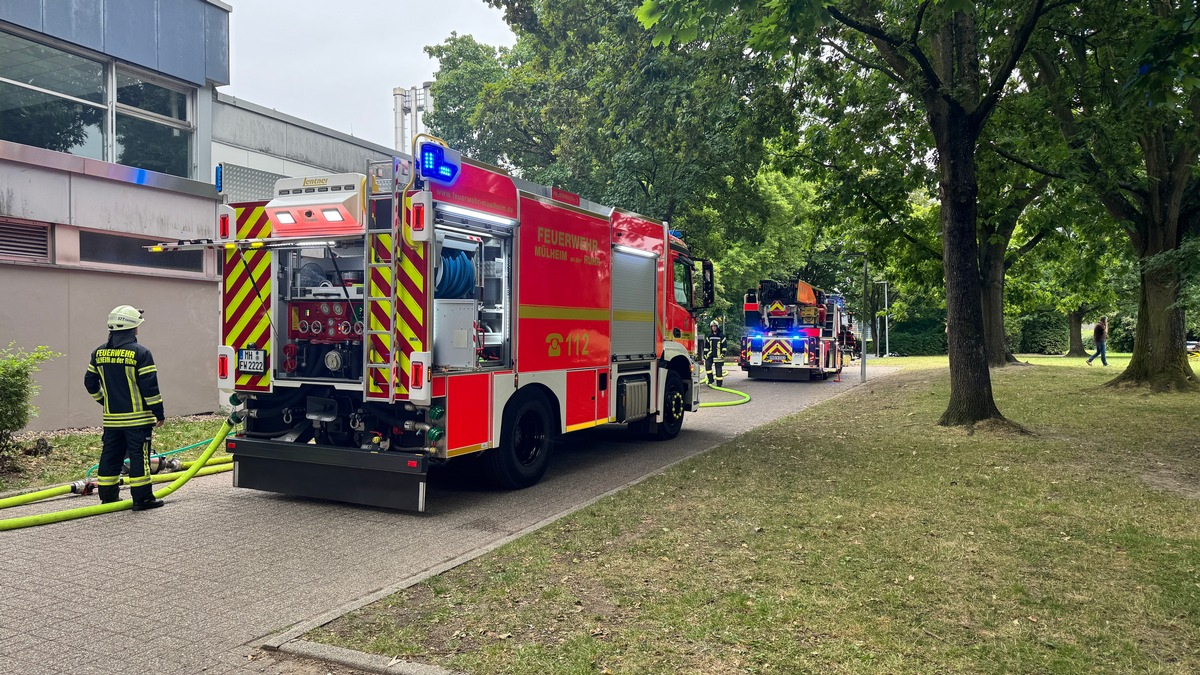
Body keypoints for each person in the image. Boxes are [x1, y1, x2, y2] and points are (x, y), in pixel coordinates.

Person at [84, 305, 166, 510]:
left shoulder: (98, 353)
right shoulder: (141, 353)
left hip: (112, 420)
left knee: (110, 456)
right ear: (133, 328)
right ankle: (142, 499)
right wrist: (158, 412)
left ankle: (108, 498)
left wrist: (104, 401)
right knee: (139, 457)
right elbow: (149, 387)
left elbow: (90, 382)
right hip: (138, 420)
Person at [702, 319, 727, 387]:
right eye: (712, 326)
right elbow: (706, 346)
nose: (713, 328)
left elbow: (724, 346)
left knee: (718, 370)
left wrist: (723, 353)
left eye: (715, 326)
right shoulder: (709, 336)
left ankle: (719, 383)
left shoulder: (721, 336)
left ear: (717, 327)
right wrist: (705, 354)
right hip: (710, 354)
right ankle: (710, 380)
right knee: (707, 366)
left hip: (719, 355)